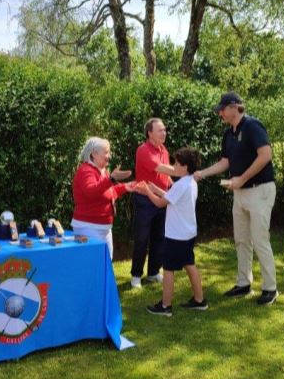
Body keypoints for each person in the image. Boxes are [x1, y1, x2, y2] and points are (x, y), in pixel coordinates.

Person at [195, 92, 278, 306]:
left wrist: (242, 178)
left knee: (260, 240)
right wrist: (202, 173)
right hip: (240, 192)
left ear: (234, 107)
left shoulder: (252, 126)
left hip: (260, 190)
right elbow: (225, 162)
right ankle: (244, 283)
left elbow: (265, 155)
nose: (220, 113)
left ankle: (270, 288)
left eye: (222, 109)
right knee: (241, 240)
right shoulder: (228, 134)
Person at [137, 147, 206, 317]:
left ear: (185, 167)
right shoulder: (190, 182)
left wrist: (147, 191)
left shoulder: (181, 184)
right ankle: (199, 300)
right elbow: (172, 198)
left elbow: (161, 203)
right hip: (188, 233)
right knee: (189, 264)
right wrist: (156, 189)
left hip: (176, 235)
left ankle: (165, 306)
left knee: (168, 269)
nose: (173, 166)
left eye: (176, 163)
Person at [71, 137, 134, 259]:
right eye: (106, 152)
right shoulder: (86, 170)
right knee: (92, 266)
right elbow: (91, 191)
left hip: (102, 228)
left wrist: (126, 187)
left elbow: (108, 192)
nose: (109, 156)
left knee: (105, 266)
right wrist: (111, 179)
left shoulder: (102, 171)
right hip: (89, 227)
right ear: (94, 154)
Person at [130, 118, 173, 289]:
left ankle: (153, 272)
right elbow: (160, 169)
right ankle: (136, 275)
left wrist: (174, 186)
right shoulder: (143, 150)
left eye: (164, 130)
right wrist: (184, 171)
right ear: (150, 133)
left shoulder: (164, 150)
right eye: (160, 130)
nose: (164, 133)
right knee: (141, 238)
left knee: (159, 237)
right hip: (145, 200)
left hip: (162, 199)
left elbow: (166, 175)